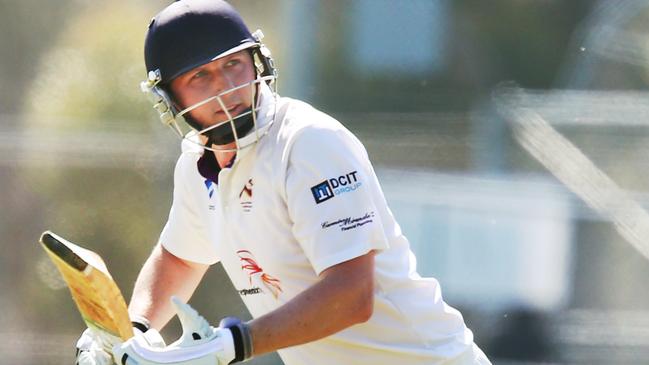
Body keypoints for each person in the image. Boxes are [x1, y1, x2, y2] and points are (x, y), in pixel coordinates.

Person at [76, 0, 491, 364]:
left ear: (258, 62)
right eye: (200, 77)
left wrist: (232, 344)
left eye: (233, 64)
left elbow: (351, 294)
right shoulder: (195, 165)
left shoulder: (308, 143)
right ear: (170, 99)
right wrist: (134, 331)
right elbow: (181, 258)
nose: (225, 88)